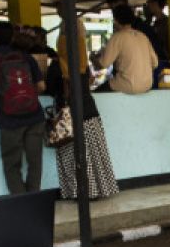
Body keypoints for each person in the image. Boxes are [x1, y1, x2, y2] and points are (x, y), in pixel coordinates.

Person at [0, 21, 46, 194]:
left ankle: (21, 203)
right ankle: (34, 198)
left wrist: (1, 94)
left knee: (12, 165)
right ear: (13, 37)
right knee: (35, 162)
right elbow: (41, 86)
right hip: (35, 117)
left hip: (9, 120)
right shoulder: (26, 57)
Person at [46, 37, 119, 200]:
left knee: (71, 156)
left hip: (67, 117)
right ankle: (96, 191)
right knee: (94, 155)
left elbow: (49, 89)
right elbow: (90, 81)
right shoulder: (82, 65)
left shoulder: (57, 67)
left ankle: (79, 193)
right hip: (89, 112)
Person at [94, 4, 157, 95]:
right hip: (147, 85)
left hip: (127, 85)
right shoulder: (142, 36)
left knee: (95, 95)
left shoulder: (117, 37)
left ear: (116, 20)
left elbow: (103, 64)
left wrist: (93, 58)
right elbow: (155, 63)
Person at [145, 0, 170, 68]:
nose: (148, 6)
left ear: (155, 4)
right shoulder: (155, 23)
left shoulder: (166, 23)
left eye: (149, 2)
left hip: (164, 60)